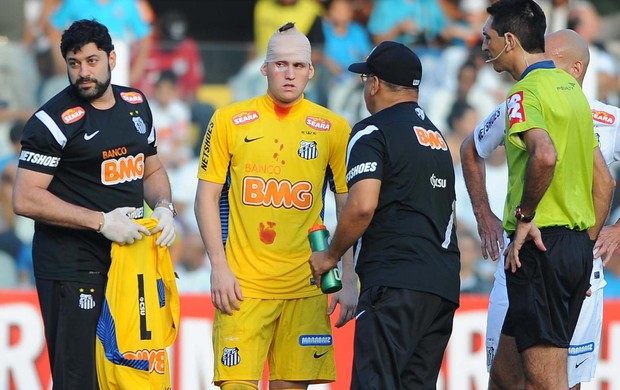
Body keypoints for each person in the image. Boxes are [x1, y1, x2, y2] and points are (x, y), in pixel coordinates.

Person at [12, 19, 176, 389]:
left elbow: (152, 169)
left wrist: (165, 206)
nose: (83, 72)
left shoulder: (136, 105)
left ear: (112, 58)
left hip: (128, 262)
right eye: (74, 63)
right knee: (78, 378)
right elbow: (25, 197)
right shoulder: (52, 120)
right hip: (72, 264)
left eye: (91, 60)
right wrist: (100, 221)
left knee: (128, 374)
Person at [194, 23, 357, 390]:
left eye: (298, 66)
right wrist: (218, 266)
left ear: (311, 71)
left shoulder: (333, 127)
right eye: (280, 64)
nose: (289, 73)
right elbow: (205, 197)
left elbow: (348, 205)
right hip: (241, 287)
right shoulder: (228, 120)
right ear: (264, 68)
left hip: (306, 287)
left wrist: (349, 276)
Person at [461, 28, 620, 389]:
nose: (539, 63)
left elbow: (604, 184)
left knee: (557, 379)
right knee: (503, 377)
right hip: (519, 256)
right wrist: (484, 216)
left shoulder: (607, 118)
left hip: (569, 260)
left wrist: (615, 229)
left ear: (576, 68)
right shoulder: (522, 101)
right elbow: (471, 149)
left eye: (551, 59)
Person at [309, 41, 460, 389]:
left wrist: (331, 255)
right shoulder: (437, 138)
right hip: (441, 285)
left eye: (365, 80)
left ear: (375, 83)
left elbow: (362, 205)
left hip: (394, 281)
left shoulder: (371, 130)